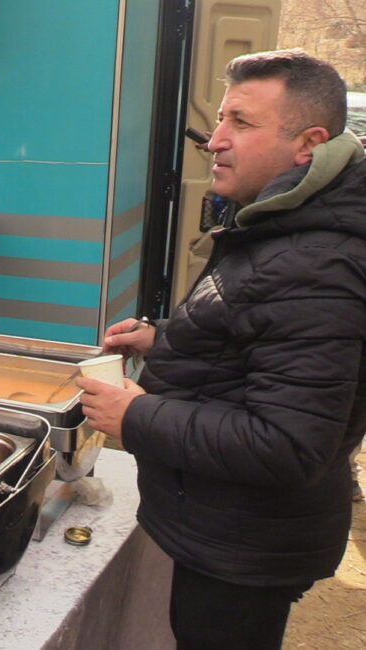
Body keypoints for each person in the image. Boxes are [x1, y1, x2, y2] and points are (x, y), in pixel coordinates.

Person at [77, 50, 366, 650]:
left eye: (241, 122)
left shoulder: (317, 262)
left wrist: (137, 416)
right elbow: (261, 337)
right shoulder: (286, 222)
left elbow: (289, 444)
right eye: (220, 119)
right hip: (230, 523)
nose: (215, 141)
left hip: (247, 544)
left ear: (308, 144)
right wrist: (165, 338)